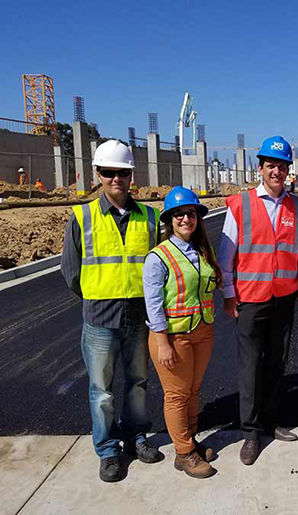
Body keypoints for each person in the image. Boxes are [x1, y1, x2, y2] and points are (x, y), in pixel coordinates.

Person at [60, 140, 163, 483]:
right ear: (98, 175)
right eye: (108, 172)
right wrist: (95, 298)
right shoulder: (82, 216)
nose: (115, 178)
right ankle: (107, 450)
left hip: (138, 317)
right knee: (101, 390)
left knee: (138, 382)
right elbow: (71, 272)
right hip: (100, 319)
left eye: (122, 172)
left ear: (131, 175)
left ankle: (136, 437)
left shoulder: (149, 217)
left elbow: (157, 267)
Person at [218, 136, 298, 466]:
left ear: (288, 170)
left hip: (283, 297)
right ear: (260, 168)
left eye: (282, 166)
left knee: (277, 362)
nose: (277, 171)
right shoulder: (240, 205)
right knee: (250, 366)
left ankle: (272, 421)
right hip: (250, 299)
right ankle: (251, 432)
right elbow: (226, 254)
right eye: (271, 165)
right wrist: (229, 294)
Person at [143, 186, 222, 479]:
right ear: (169, 220)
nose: (186, 219)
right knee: (176, 394)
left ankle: (189, 440)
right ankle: (183, 453)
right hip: (174, 338)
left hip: (202, 330)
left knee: (194, 390)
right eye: (179, 215)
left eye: (191, 214)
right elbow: (153, 305)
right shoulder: (158, 257)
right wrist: (161, 343)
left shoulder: (203, 249)